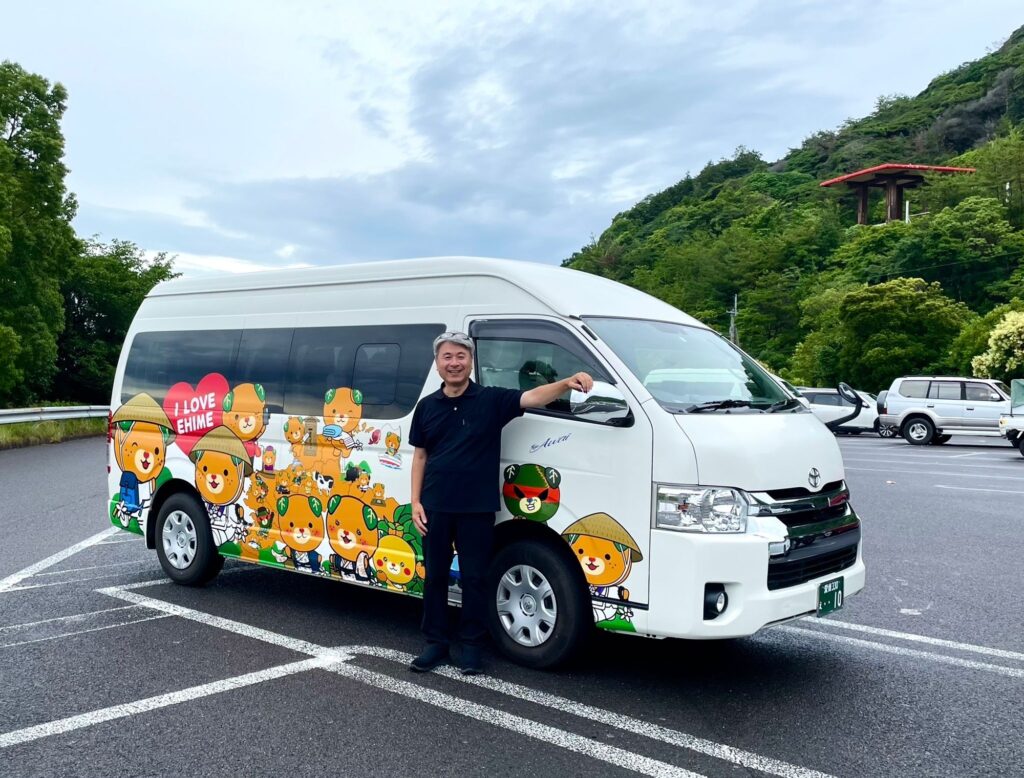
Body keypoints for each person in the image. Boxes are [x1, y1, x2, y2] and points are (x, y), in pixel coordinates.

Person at [408, 331, 593, 675]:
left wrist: (567, 382)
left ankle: (471, 646)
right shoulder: (427, 407)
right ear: (437, 364)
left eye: (461, 356)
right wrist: (416, 501)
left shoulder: (490, 400)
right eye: (447, 357)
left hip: (477, 507)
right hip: (435, 506)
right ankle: (435, 643)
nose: (454, 363)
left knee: (476, 578)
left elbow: (532, 396)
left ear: (471, 362)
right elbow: (420, 456)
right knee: (434, 577)